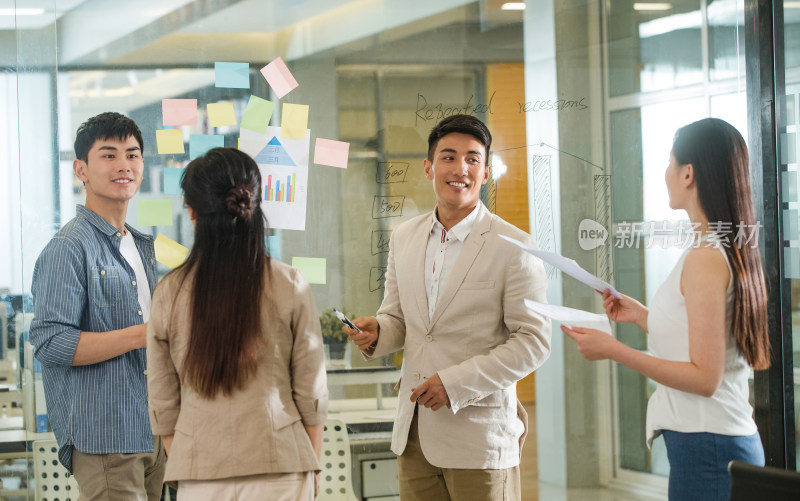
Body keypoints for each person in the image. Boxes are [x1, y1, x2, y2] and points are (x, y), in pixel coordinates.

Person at [345, 114, 551, 501]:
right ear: (428, 167)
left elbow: (533, 343)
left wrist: (454, 384)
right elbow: (399, 318)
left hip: (479, 439)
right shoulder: (404, 237)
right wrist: (378, 331)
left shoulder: (515, 246)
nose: (461, 169)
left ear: (486, 172)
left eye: (473, 159)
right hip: (414, 434)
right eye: (449, 157)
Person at [562, 118, 770, 501]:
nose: (665, 173)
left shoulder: (706, 257)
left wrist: (616, 351)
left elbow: (705, 378)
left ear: (688, 173)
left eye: (669, 162)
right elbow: (702, 337)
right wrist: (642, 315)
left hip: (709, 448)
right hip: (713, 443)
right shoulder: (718, 247)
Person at [147, 147, 328, 501]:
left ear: (193, 213)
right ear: (254, 205)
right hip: (280, 465)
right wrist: (309, 465)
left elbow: (162, 401)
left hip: (200, 472)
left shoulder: (169, 292)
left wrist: (191, 457)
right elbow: (311, 391)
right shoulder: (289, 282)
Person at [29, 112, 166, 500]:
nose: (124, 164)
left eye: (133, 154)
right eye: (108, 155)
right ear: (81, 170)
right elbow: (51, 343)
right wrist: (145, 335)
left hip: (152, 427)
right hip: (106, 436)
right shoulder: (69, 248)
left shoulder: (139, 246)